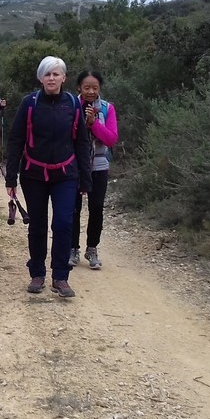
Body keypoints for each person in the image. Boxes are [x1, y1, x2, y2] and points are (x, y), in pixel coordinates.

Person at [4, 56, 92, 297]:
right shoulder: (29, 103)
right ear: (40, 78)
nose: (51, 78)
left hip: (66, 174)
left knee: (63, 223)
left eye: (56, 74)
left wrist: (86, 179)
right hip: (34, 174)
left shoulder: (73, 104)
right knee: (38, 225)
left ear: (64, 78)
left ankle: (61, 277)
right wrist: (11, 178)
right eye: (47, 74)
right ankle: (37, 273)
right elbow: (16, 140)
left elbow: (82, 143)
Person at [69, 71, 118, 270]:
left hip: (98, 165)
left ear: (100, 88)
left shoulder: (107, 108)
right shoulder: (70, 105)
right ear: (79, 87)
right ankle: (73, 249)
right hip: (74, 164)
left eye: (95, 88)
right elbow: (67, 134)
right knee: (73, 208)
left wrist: (94, 124)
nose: (90, 91)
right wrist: (82, 123)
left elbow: (111, 139)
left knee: (96, 208)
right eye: (86, 87)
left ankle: (92, 248)